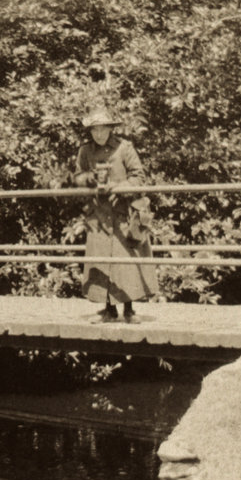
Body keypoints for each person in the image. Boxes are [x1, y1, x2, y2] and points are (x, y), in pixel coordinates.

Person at [72, 106, 158, 323]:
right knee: (102, 262)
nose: (98, 134)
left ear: (110, 129)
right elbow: (77, 177)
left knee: (127, 262)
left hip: (124, 212)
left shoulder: (124, 148)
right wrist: (89, 180)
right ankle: (108, 310)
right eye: (94, 130)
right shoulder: (85, 151)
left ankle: (129, 310)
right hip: (99, 216)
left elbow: (139, 176)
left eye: (102, 129)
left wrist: (120, 189)